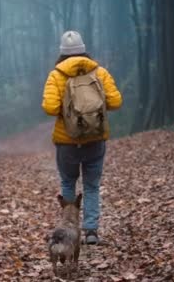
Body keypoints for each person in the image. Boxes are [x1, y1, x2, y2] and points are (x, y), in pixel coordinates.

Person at [42, 30, 122, 245]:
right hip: (95, 139)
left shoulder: (56, 75)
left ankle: (70, 230)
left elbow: (50, 107)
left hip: (66, 141)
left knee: (68, 182)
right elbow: (116, 102)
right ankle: (91, 232)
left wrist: (67, 112)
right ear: (84, 49)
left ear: (62, 52)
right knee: (92, 186)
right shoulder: (100, 72)